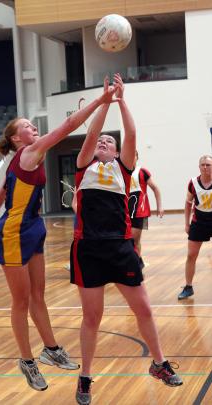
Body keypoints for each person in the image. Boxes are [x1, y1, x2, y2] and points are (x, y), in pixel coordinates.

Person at [0, 82, 119, 392]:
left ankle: (51, 349)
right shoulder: (29, 152)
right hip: (13, 234)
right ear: (17, 139)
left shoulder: (25, 160)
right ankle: (26, 361)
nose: (33, 127)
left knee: (39, 296)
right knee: (21, 300)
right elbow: (68, 125)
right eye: (27, 126)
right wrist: (101, 100)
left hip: (33, 229)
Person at [70, 74, 182, 405]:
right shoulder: (83, 166)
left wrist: (121, 100)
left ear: (118, 151)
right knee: (92, 317)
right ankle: (86, 377)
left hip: (120, 247)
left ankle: (159, 364)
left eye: (108, 141)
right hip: (88, 248)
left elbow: (131, 133)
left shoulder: (124, 168)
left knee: (144, 308)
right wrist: (104, 102)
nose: (102, 142)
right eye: (100, 141)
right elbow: (91, 133)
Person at [178, 155, 212, 300]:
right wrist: (186, 223)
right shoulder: (193, 183)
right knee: (191, 255)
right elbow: (187, 204)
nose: (205, 167)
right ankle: (188, 287)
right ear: (199, 167)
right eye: (203, 165)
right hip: (199, 221)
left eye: (208, 165)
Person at [129, 151, 164, 268]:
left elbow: (155, 188)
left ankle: (137, 262)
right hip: (125, 210)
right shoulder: (121, 172)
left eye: (133, 155)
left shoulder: (142, 172)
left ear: (137, 157)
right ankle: (137, 261)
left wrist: (159, 206)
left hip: (140, 211)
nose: (130, 157)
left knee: (134, 240)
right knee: (125, 239)